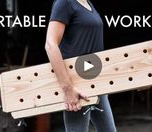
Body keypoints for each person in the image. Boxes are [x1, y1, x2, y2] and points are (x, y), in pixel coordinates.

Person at [44, 0, 116, 131]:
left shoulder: (88, 3)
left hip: (95, 81)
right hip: (76, 83)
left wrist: (104, 81)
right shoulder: (65, 3)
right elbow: (50, 44)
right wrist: (68, 88)